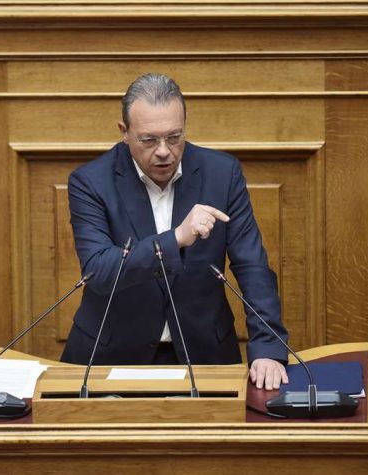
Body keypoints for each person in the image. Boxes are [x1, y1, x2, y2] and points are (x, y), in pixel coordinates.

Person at [61, 73, 289, 390]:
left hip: (204, 354)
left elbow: (252, 266)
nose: (164, 151)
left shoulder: (222, 174)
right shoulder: (91, 182)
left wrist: (268, 346)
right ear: (124, 132)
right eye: (149, 140)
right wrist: (176, 238)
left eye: (174, 137)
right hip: (111, 358)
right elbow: (100, 271)